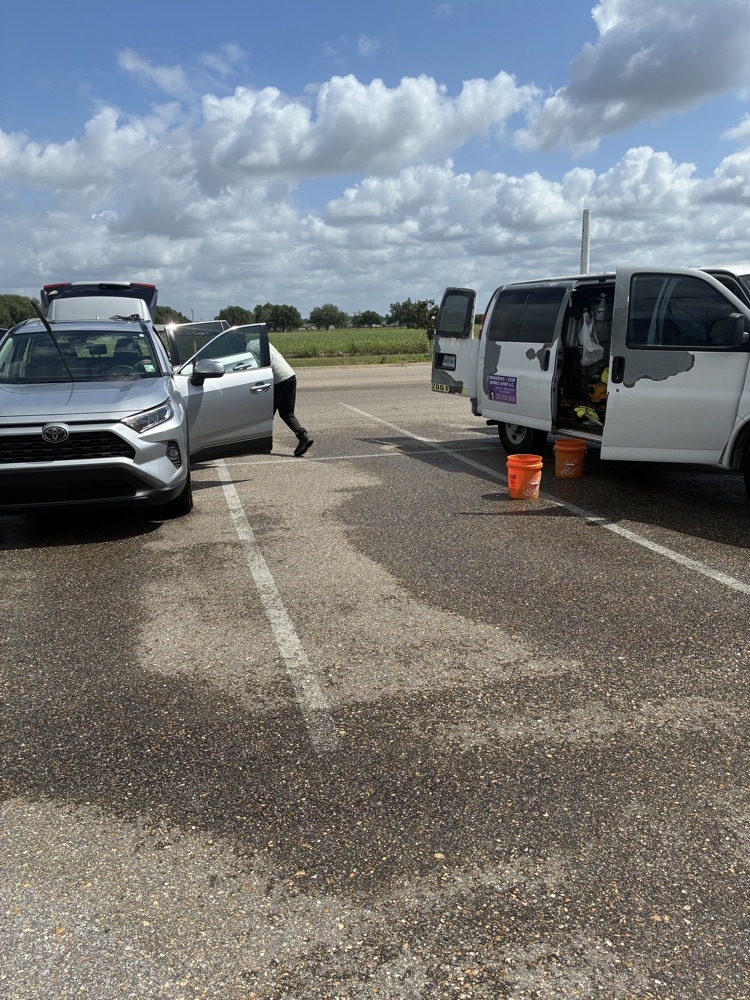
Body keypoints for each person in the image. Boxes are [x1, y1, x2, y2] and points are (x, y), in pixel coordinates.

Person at [269, 344, 314, 456]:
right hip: (290, 376)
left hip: (279, 380)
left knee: (266, 414)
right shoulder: (264, 342)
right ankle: (303, 437)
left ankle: (264, 444)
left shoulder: (250, 348)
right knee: (287, 413)